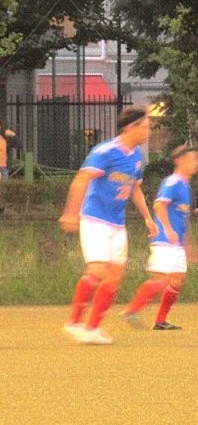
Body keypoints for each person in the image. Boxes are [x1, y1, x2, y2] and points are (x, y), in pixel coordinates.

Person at [59, 106, 158, 345]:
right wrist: (71, 213)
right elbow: (82, 179)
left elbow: (134, 188)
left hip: (117, 224)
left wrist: (147, 217)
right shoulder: (105, 151)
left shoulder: (136, 157)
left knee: (115, 277)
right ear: (131, 127)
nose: (148, 131)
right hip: (95, 219)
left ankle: (93, 328)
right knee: (97, 272)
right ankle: (74, 322)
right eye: (145, 127)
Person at [122, 144, 198, 330]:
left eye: (196, 159)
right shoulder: (172, 182)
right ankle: (132, 310)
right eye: (192, 159)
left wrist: (188, 245)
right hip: (165, 240)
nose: (196, 163)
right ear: (180, 161)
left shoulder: (185, 186)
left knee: (177, 279)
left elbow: (183, 219)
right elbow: (159, 206)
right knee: (161, 279)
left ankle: (160, 321)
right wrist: (168, 229)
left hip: (176, 243)